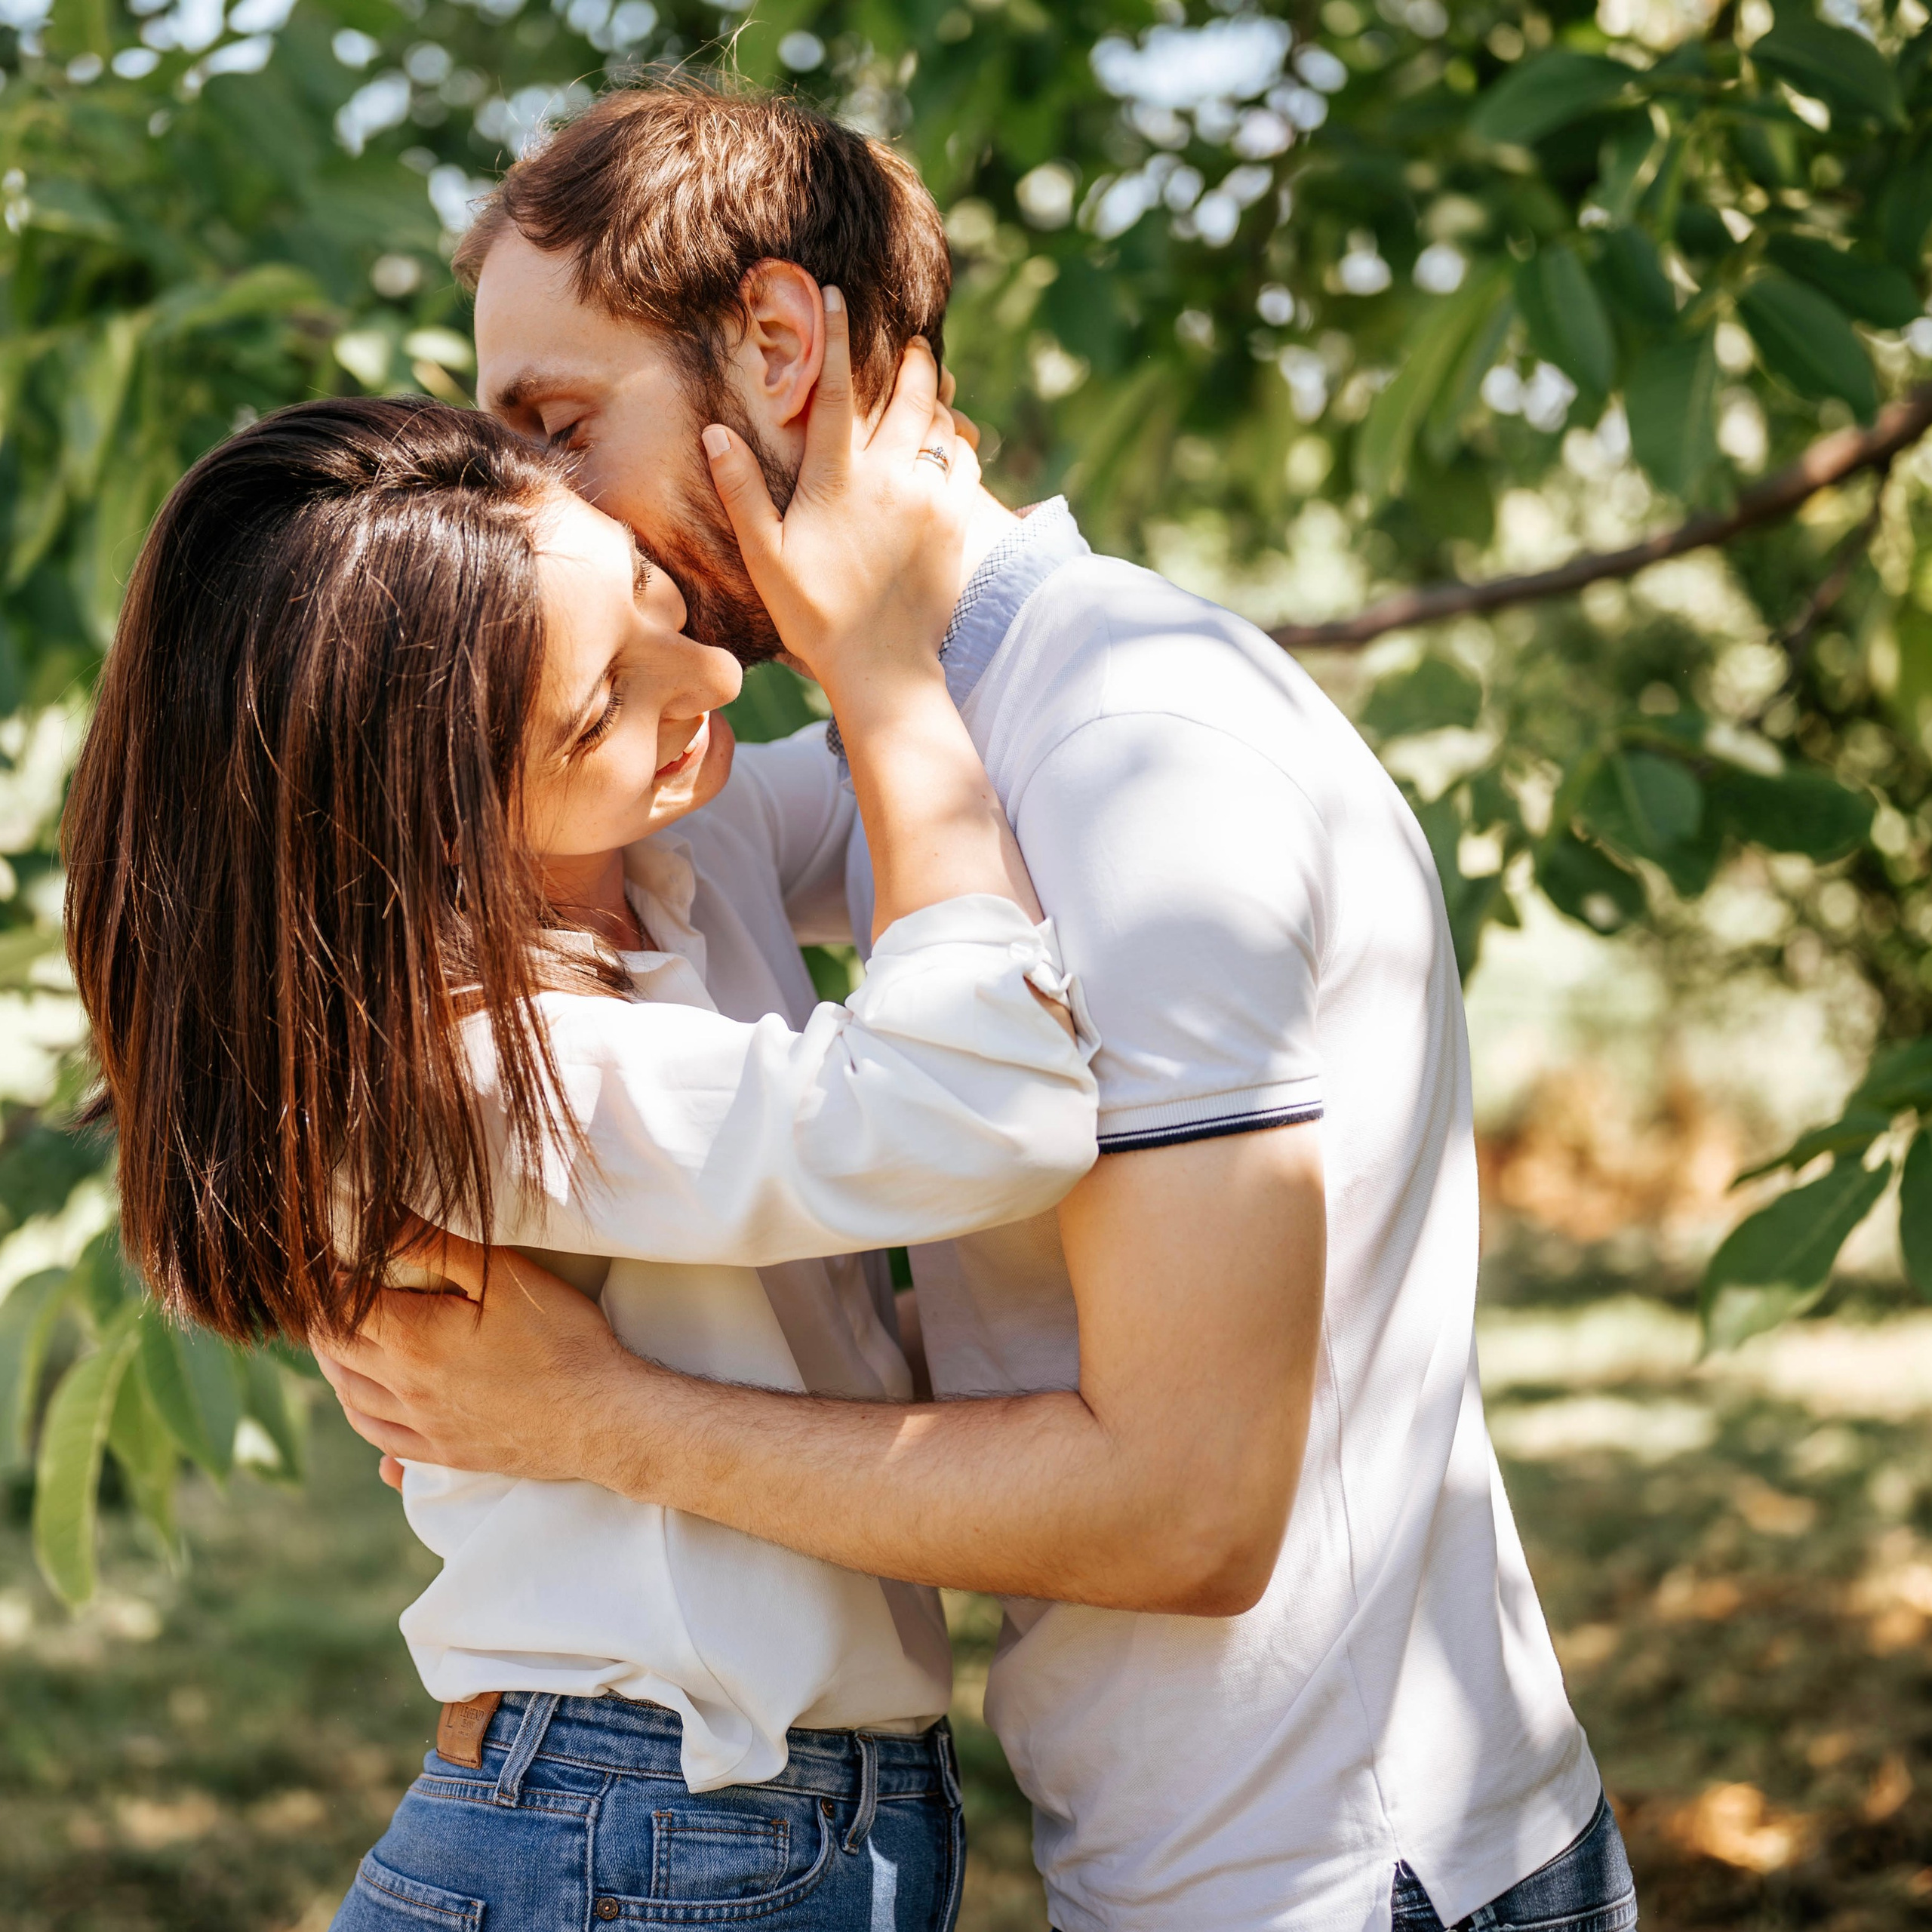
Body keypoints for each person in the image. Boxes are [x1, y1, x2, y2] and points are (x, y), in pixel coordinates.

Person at [319, 81, 1638, 1932]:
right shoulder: (933, 740)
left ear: (778, 346)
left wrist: (585, 1413)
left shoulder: (1121, 758)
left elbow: (1186, 1508)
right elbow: (578, 863)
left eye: (557, 428)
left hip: (1340, 1872)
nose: (535, 509)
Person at [62, 330, 1103, 1931]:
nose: (715, 686)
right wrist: (879, 671)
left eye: (658, 603)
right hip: (637, 1819)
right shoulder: (468, 1084)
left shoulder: (667, 838)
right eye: (601, 709)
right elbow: (975, 1101)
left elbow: (969, 791)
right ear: (423, 817)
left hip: (730, 1810)